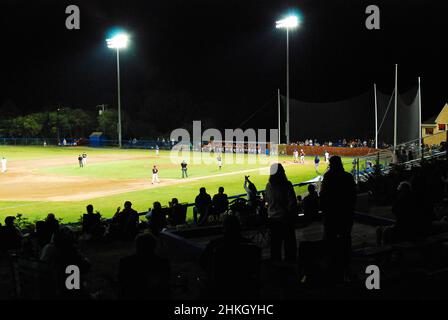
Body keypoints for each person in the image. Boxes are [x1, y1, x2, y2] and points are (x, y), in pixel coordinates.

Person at [319, 156, 356, 278]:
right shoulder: (348, 177)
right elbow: (353, 195)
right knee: (346, 238)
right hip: (345, 214)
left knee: (330, 239)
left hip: (331, 215)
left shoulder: (328, 177)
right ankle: (346, 262)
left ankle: (332, 264)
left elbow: (323, 195)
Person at [40, 226, 91, 299]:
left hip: (49, 286)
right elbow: (86, 266)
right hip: (63, 289)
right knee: (73, 270)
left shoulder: (48, 248)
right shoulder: (69, 252)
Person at [118, 232, 170, 299]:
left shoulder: (125, 262)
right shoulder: (163, 263)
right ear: (154, 246)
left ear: (137, 246)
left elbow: (122, 282)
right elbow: (164, 283)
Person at [265, 163, 298, 262]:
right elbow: (292, 203)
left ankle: (276, 271)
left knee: (275, 247)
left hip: (273, 220)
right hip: (285, 219)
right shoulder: (287, 185)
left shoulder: (268, 185)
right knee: (290, 247)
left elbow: (267, 201)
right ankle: (290, 269)